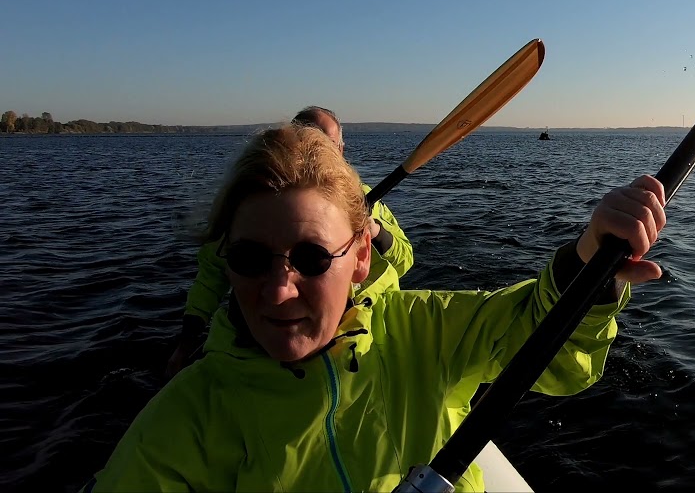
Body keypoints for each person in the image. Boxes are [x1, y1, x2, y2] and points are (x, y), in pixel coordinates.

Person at [88, 125, 664, 492]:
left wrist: (588, 263)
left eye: (312, 258)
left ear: (360, 256)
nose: (278, 290)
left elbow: (549, 351)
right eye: (248, 258)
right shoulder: (185, 421)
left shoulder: (423, 334)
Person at [165, 106, 414, 378]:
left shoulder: (369, 203)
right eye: (308, 140)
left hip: (365, 346)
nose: (316, 151)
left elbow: (404, 260)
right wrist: (185, 344)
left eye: (325, 145)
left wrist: (376, 230)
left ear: (341, 151)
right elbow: (211, 276)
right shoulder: (253, 205)